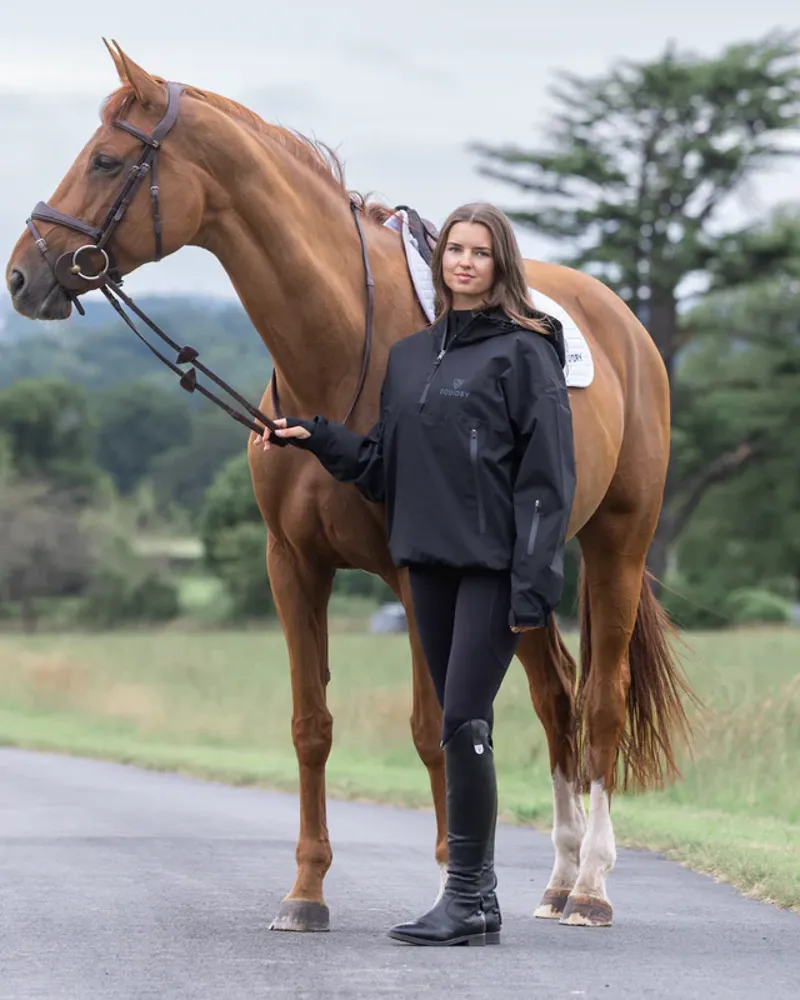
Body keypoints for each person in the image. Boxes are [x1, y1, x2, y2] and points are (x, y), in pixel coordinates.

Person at [259, 202, 576, 947]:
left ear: (501, 266)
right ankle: (483, 903)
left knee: (463, 719)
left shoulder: (527, 353)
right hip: (426, 566)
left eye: (480, 253)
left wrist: (535, 583)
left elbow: (546, 481)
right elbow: (384, 469)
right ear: (441, 263)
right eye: (456, 251)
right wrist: (315, 437)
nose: (465, 262)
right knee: (462, 720)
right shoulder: (411, 358)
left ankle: (465, 896)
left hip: (493, 568)